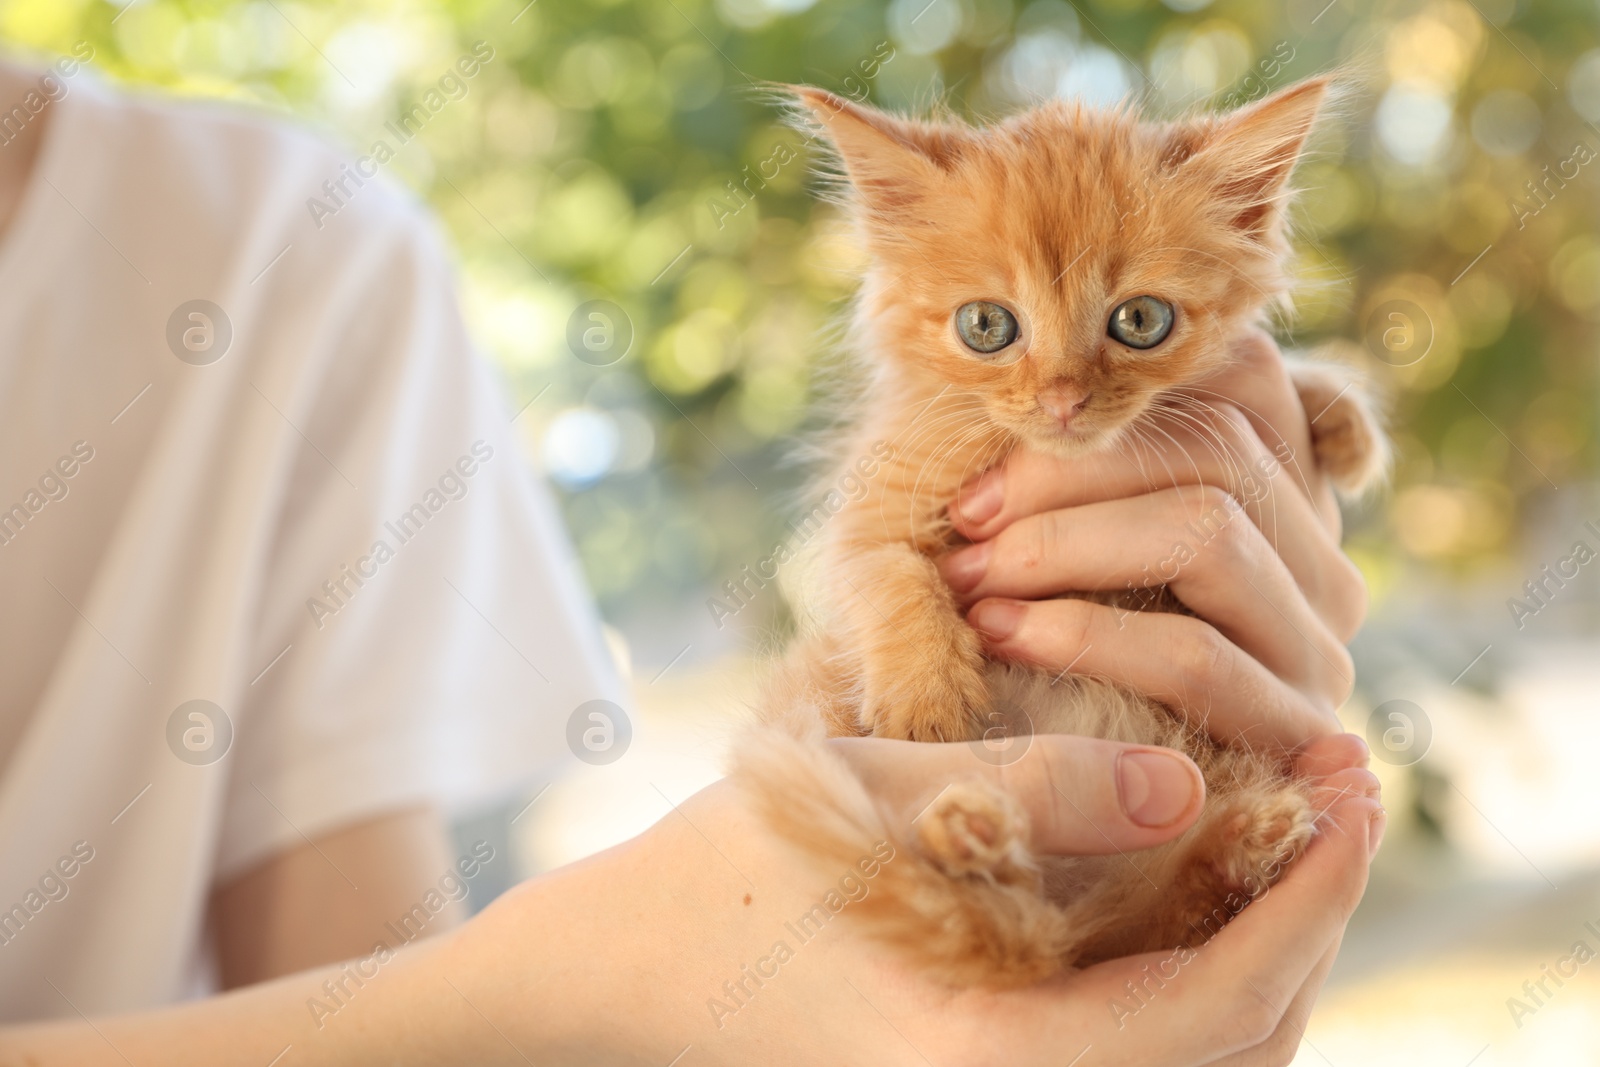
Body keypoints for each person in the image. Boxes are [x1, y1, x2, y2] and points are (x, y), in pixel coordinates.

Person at [0, 52, 1380, 1066]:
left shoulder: (289, 254)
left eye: (1133, 325)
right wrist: (600, 981)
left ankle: (1169, 876)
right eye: (991, 333)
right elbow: (880, 577)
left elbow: (347, 996)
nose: (1061, 389)